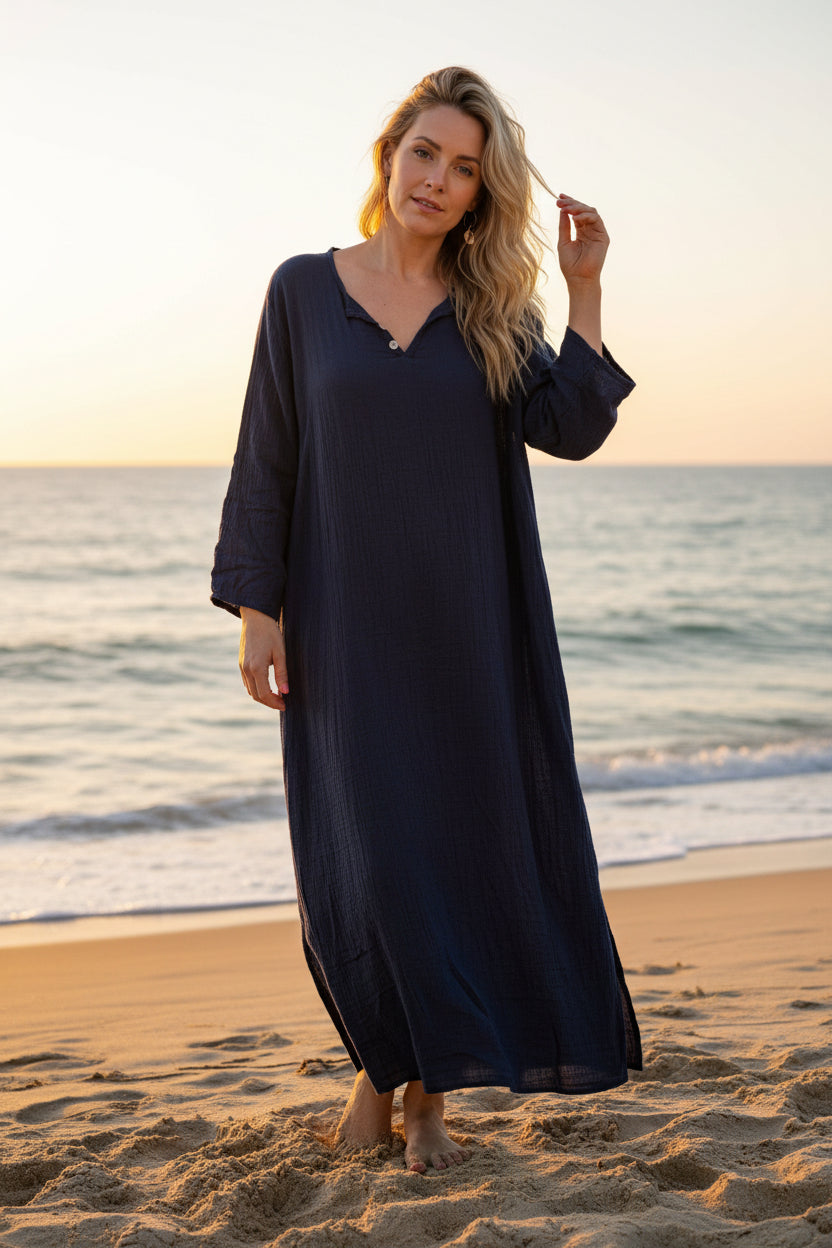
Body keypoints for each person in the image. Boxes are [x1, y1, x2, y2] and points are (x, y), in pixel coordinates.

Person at [211, 66, 642, 1175]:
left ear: (481, 191)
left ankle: (424, 1100)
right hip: (344, 630)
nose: (439, 181)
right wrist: (259, 609)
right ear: (388, 155)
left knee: (447, 854)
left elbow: (571, 429)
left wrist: (584, 289)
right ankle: (384, 1072)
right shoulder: (303, 291)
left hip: (469, 630)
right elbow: (270, 451)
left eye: (464, 169)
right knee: (371, 861)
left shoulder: (495, 308)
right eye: (425, 155)